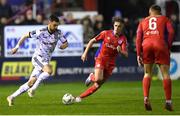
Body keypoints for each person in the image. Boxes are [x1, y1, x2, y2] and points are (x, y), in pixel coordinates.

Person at [7, 14, 68, 106]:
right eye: (54, 25)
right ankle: (33, 89)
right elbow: (25, 36)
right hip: (37, 58)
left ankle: (11, 97)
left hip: (45, 60)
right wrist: (17, 47)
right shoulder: (41, 31)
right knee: (49, 71)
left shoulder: (58, 33)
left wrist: (62, 47)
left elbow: (66, 43)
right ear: (49, 22)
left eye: (57, 25)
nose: (56, 27)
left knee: (30, 82)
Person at [73, 16, 128, 103]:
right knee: (98, 78)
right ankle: (92, 76)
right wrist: (85, 53)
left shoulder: (123, 39)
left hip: (111, 63)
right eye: (116, 25)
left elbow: (126, 54)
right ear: (113, 26)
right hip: (101, 58)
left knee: (98, 85)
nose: (117, 28)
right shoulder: (106, 33)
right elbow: (91, 41)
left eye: (119, 26)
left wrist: (121, 51)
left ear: (122, 27)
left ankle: (79, 97)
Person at [136, 5, 174, 111]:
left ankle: (146, 97)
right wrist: (168, 46)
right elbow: (171, 32)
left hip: (146, 44)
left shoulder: (143, 21)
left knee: (147, 73)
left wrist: (138, 54)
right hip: (160, 44)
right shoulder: (165, 19)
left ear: (150, 12)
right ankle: (168, 102)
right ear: (160, 12)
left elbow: (138, 37)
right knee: (165, 74)